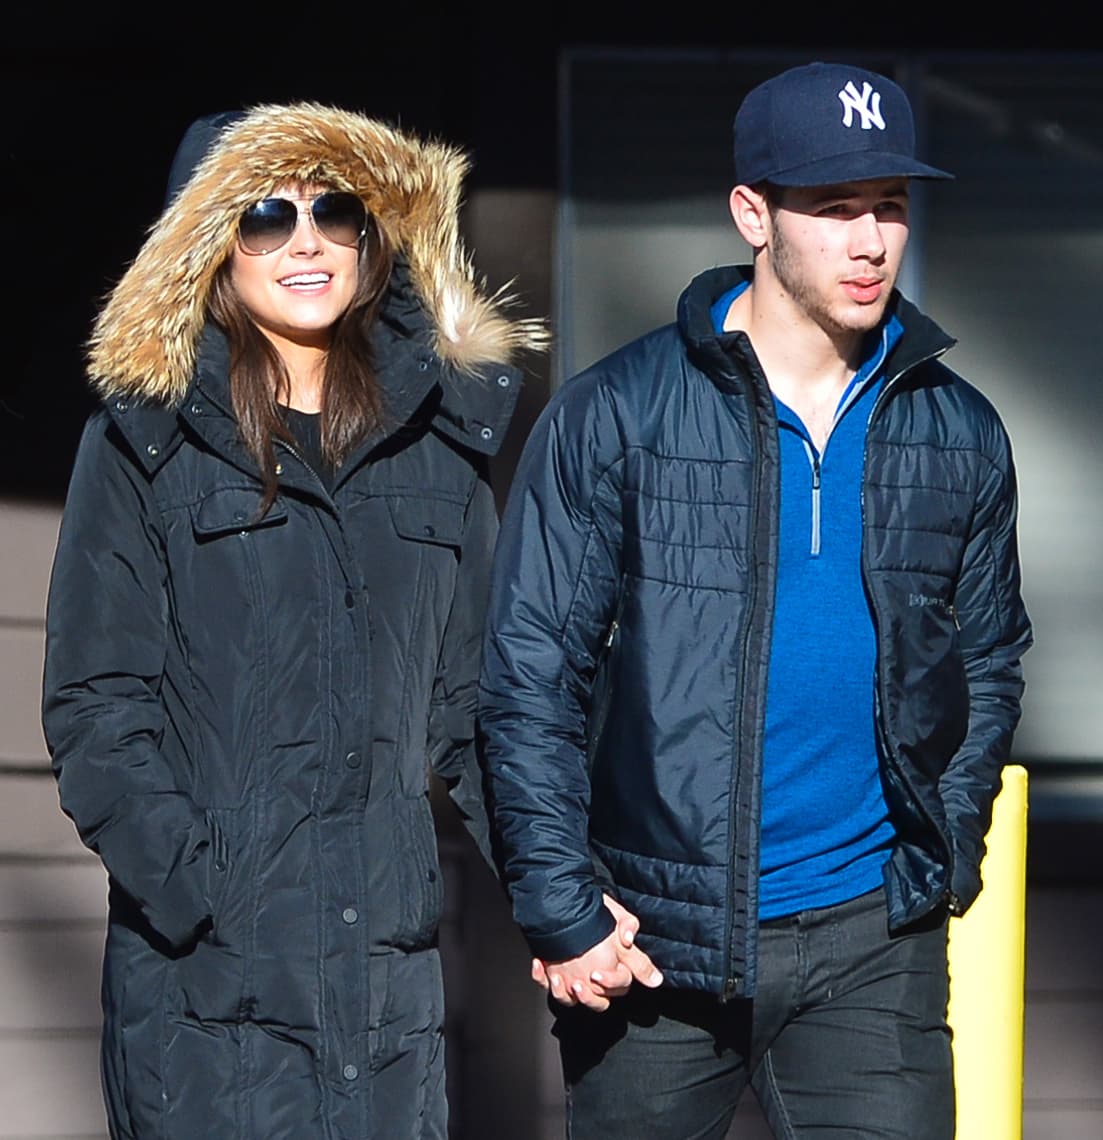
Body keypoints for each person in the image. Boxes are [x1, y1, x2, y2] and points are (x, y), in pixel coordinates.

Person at [479, 61, 1031, 1139]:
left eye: (890, 207)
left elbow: (989, 655)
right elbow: (529, 670)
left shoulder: (956, 430)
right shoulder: (620, 415)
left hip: (873, 940)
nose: (869, 241)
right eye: (832, 209)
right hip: (651, 943)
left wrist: (945, 844)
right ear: (752, 214)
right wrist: (559, 904)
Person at [42, 103, 544, 1139]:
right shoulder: (143, 444)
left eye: (336, 210)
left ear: (374, 236)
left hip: (385, 1000)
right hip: (208, 1001)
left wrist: (560, 895)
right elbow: (97, 705)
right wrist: (200, 887)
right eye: (265, 214)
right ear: (208, 250)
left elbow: (478, 713)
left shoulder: (438, 448)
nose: (305, 239)